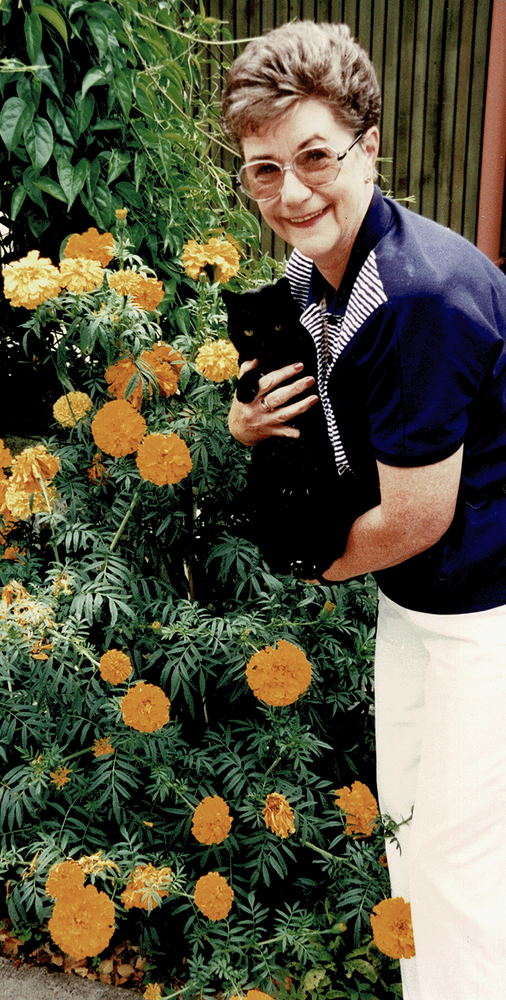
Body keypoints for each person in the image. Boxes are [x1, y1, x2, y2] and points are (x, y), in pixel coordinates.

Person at [221, 20, 506, 1000]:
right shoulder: (315, 275)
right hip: (416, 605)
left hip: (485, 617)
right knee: (410, 844)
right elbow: (320, 435)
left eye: (315, 158)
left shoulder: (421, 295)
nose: (291, 193)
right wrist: (249, 424)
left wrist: (303, 557)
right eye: (264, 170)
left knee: (461, 871)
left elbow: (416, 517)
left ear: (368, 145)